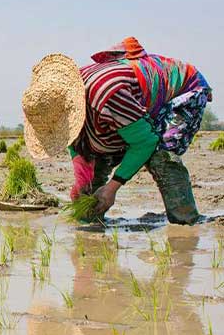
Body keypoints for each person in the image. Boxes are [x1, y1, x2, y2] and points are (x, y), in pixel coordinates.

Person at [21, 37, 212, 224]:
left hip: (182, 89)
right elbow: (78, 142)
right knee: (92, 175)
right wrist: (81, 182)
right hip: (127, 106)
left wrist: (113, 187)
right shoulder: (63, 103)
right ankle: (90, 220)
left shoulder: (108, 95)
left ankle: (186, 222)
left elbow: (145, 142)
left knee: (161, 156)